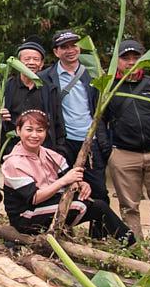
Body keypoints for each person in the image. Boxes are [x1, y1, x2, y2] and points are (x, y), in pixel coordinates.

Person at [2, 109, 133, 241]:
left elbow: (69, 177)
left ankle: (110, 240)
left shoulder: (49, 154)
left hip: (46, 206)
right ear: (18, 130)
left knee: (97, 203)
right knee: (84, 205)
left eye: (40, 130)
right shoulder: (13, 162)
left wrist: (82, 184)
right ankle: (128, 242)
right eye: (29, 130)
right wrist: (64, 181)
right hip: (26, 216)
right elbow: (34, 198)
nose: (34, 135)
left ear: (46, 132)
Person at [103, 40, 150, 240]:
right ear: (117, 61)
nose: (131, 62)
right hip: (124, 153)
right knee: (129, 205)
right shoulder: (108, 86)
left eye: (135, 57)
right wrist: (108, 151)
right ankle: (135, 247)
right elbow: (101, 121)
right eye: (125, 58)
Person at [41, 29, 111, 203]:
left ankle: (99, 222)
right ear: (56, 52)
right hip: (63, 142)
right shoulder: (45, 78)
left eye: (74, 45)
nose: (70, 50)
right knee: (64, 189)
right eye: (64, 47)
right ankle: (66, 221)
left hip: (91, 140)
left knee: (99, 191)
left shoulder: (94, 74)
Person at [0, 39, 53, 145]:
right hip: (11, 144)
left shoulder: (49, 88)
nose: (31, 62)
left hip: (41, 145)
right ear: (18, 62)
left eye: (36, 59)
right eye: (27, 59)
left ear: (41, 64)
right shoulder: (7, 86)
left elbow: (57, 121)